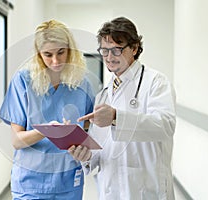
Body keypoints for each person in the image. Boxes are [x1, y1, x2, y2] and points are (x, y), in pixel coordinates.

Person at [68, 17, 176, 199]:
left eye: (117, 50)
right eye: (104, 50)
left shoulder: (155, 82)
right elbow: (100, 149)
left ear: (134, 48)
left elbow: (166, 126)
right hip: (110, 190)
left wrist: (116, 117)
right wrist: (85, 156)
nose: (109, 57)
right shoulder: (104, 94)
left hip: (146, 189)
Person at [0, 19, 94, 200]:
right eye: (48, 54)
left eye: (61, 52)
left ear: (70, 49)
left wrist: (81, 143)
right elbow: (17, 141)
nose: (55, 61)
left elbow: (90, 128)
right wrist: (47, 131)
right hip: (30, 183)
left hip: (68, 180)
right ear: (38, 54)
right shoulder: (23, 81)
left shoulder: (82, 83)